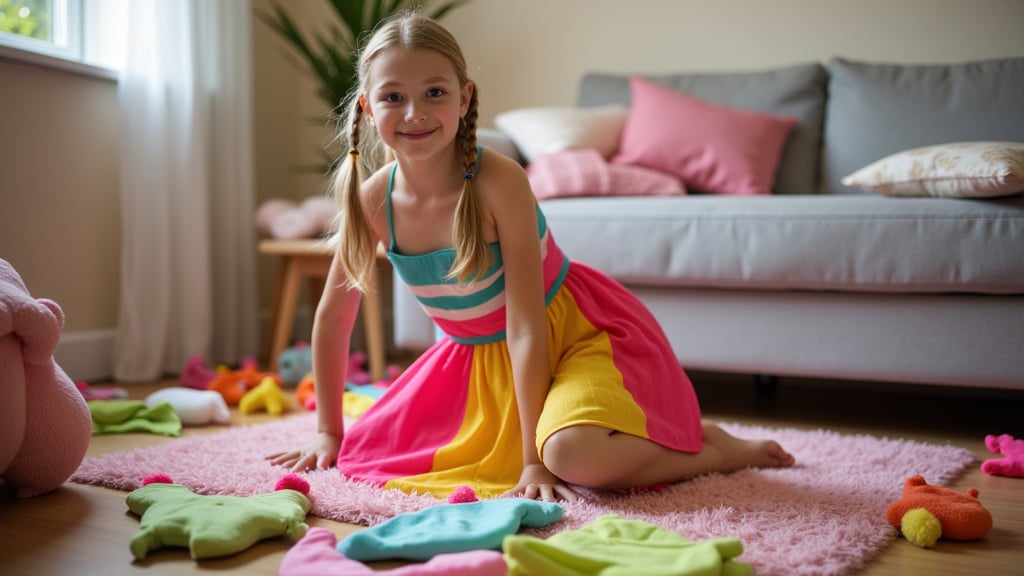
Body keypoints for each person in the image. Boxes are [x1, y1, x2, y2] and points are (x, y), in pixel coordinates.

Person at [266, 12, 794, 502]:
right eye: (393, 97)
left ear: (465, 98)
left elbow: (524, 327)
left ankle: (712, 453)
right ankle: (652, 438)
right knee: (367, 455)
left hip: (574, 336)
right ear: (366, 106)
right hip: (477, 358)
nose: (415, 113)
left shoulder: (500, 181)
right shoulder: (372, 200)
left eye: (434, 92)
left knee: (567, 456)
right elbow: (335, 320)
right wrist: (328, 432)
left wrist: (533, 463)